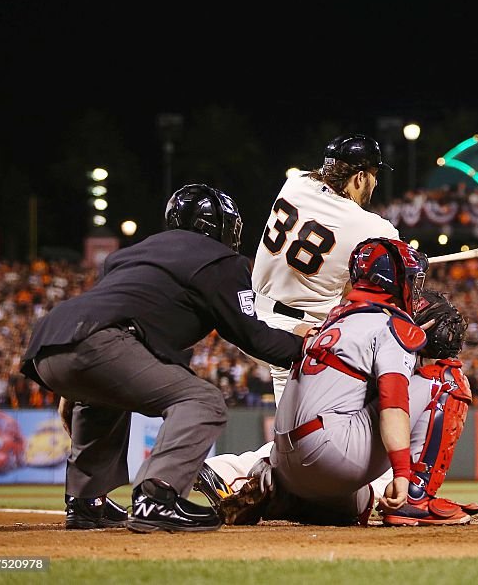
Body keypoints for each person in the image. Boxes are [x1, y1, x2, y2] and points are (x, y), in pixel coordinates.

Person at [20, 184, 307, 533]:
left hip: (51, 340)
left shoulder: (130, 253)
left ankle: (86, 501)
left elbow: (107, 309)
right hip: (101, 342)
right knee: (204, 402)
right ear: (220, 226)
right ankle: (158, 495)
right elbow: (254, 338)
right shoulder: (220, 259)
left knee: (103, 400)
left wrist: (74, 381)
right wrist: (302, 345)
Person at [202, 240, 478, 527]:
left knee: (360, 502)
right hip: (330, 454)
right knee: (449, 378)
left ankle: (279, 496)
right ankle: (416, 500)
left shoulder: (334, 320)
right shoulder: (392, 326)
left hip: (284, 462)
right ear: (395, 280)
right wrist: (401, 473)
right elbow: (394, 407)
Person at [198, 134, 404, 503]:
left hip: (251, 317)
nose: (374, 182)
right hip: (298, 336)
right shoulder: (374, 229)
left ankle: (232, 472)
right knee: (307, 436)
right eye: (372, 174)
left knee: (314, 428)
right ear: (359, 177)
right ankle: (228, 470)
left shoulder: (295, 184)